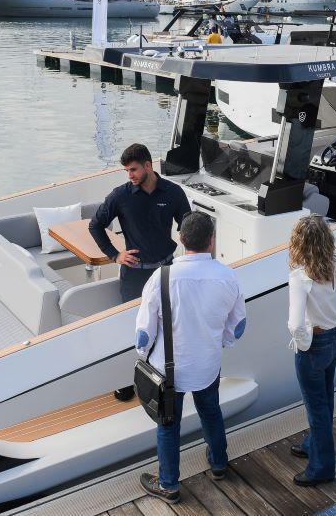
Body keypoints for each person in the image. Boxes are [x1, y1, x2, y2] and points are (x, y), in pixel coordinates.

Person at [138, 212, 247, 504]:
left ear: (181, 240)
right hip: (208, 366)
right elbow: (236, 327)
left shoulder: (161, 278)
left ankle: (169, 485)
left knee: (168, 425)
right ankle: (219, 464)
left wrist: (143, 356)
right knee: (210, 412)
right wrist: (218, 343)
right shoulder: (228, 276)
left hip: (169, 371)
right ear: (211, 241)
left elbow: (143, 334)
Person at [287, 215, 336, 487]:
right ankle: (313, 444)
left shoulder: (300, 277)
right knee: (325, 398)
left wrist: (304, 343)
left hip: (313, 347)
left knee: (316, 407)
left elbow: (295, 325)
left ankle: (322, 468)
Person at [89, 143, 191, 304]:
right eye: (127, 170)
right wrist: (115, 255)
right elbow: (95, 225)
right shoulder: (120, 196)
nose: (129, 175)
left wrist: (189, 264)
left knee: (170, 322)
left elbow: (189, 228)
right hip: (134, 277)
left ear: (148, 165)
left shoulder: (174, 192)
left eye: (133, 169)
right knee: (134, 324)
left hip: (167, 272)